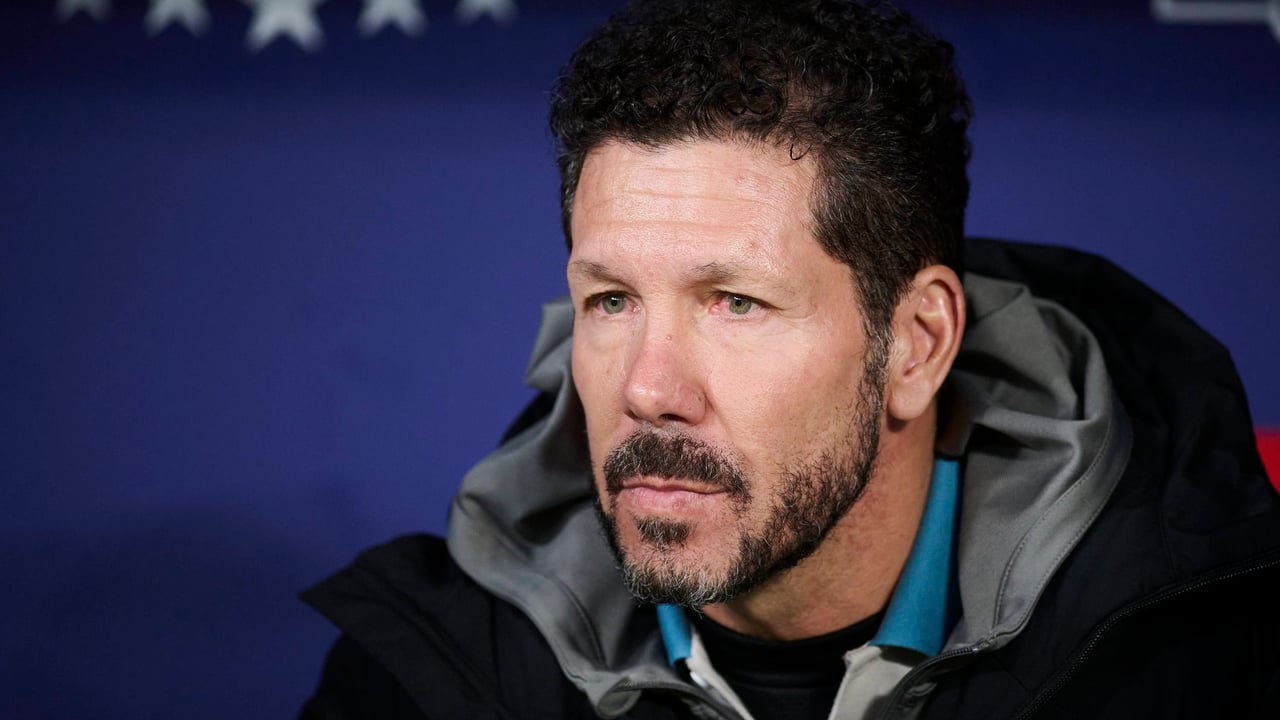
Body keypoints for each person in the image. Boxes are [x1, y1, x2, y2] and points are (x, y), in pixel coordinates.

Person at [298, 1, 1280, 718]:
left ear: (916, 344)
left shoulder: (1209, 656)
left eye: (736, 302)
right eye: (611, 300)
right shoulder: (429, 679)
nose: (646, 388)